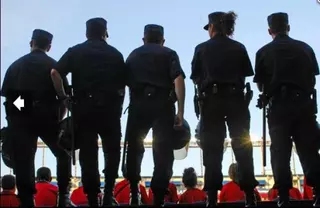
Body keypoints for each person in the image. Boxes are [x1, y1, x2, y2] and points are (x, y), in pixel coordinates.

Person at [51, 17, 126, 206]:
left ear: (86, 33)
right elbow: (123, 84)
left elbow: (55, 73)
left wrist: (63, 97)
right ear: (105, 33)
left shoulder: (75, 51)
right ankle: (108, 195)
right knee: (112, 152)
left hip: (83, 109)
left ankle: (93, 198)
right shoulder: (115, 54)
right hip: (109, 110)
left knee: (88, 155)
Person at [190, 11, 259, 207]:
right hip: (236, 99)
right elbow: (245, 74)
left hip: (211, 101)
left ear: (212, 27)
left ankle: (211, 198)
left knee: (212, 149)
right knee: (243, 147)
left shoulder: (201, 48)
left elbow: (195, 76)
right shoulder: (239, 47)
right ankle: (249, 195)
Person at [253, 12, 320, 208]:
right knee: (309, 150)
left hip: (278, 107)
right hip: (303, 105)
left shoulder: (263, 52)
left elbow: (261, 84)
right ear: (288, 27)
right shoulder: (305, 48)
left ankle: (283, 195)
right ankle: (318, 192)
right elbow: (313, 77)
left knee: (280, 151)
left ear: (269, 31)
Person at [1, 29, 72, 207]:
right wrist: (58, 117)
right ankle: (63, 196)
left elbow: (9, 99)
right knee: (63, 153)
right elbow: (64, 98)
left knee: (24, 159)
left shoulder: (15, 66)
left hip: (21, 118)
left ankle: (27, 200)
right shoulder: (54, 66)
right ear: (49, 46)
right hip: (48, 115)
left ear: (31, 43)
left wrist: (21, 113)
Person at [124, 24, 186, 206]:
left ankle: (135, 193)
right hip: (163, 106)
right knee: (163, 153)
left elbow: (122, 83)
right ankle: (158, 198)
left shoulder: (133, 55)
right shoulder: (169, 53)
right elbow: (179, 79)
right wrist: (181, 111)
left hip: (138, 105)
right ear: (162, 40)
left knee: (134, 149)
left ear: (144, 39)